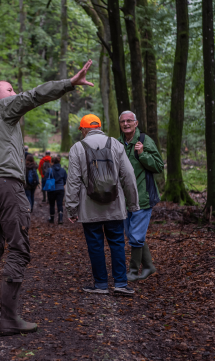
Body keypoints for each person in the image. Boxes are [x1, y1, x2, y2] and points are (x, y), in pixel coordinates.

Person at [0, 60, 94, 336]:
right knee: (19, 248)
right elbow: (34, 96)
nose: (14, 92)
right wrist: (69, 83)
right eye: (9, 89)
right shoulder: (2, 107)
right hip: (7, 187)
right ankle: (9, 318)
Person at [65, 114, 139, 296]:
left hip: (89, 208)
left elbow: (73, 181)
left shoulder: (77, 148)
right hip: (115, 205)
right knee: (117, 243)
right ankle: (121, 283)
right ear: (99, 127)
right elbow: (128, 176)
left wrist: (71, 208)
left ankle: (100, 285)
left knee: (95, 245)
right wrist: (133, 204)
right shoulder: (116, 144)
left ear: (83, 129)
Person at [118, 111, 164, 281]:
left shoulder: (144, 141)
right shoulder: (118, 144)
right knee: (132, 235)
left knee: (136, 236)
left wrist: (142, 154)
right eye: (123, 121)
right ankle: (150, 267)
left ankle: (133, 271)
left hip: (142, 197)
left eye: (129, 121)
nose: (126, 124)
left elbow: (159, 166)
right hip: (124, 199)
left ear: (136, 123)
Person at [47, 156, 67, 224]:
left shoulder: (49, 170)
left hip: (51, 189)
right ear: (59, 161)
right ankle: (60, 219)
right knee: (60, 204)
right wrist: (61, 184)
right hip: (60, 189)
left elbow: (46, 178)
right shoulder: (63, 170)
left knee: (52, 204)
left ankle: (52, 218)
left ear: (52, 162)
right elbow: (65, 180)